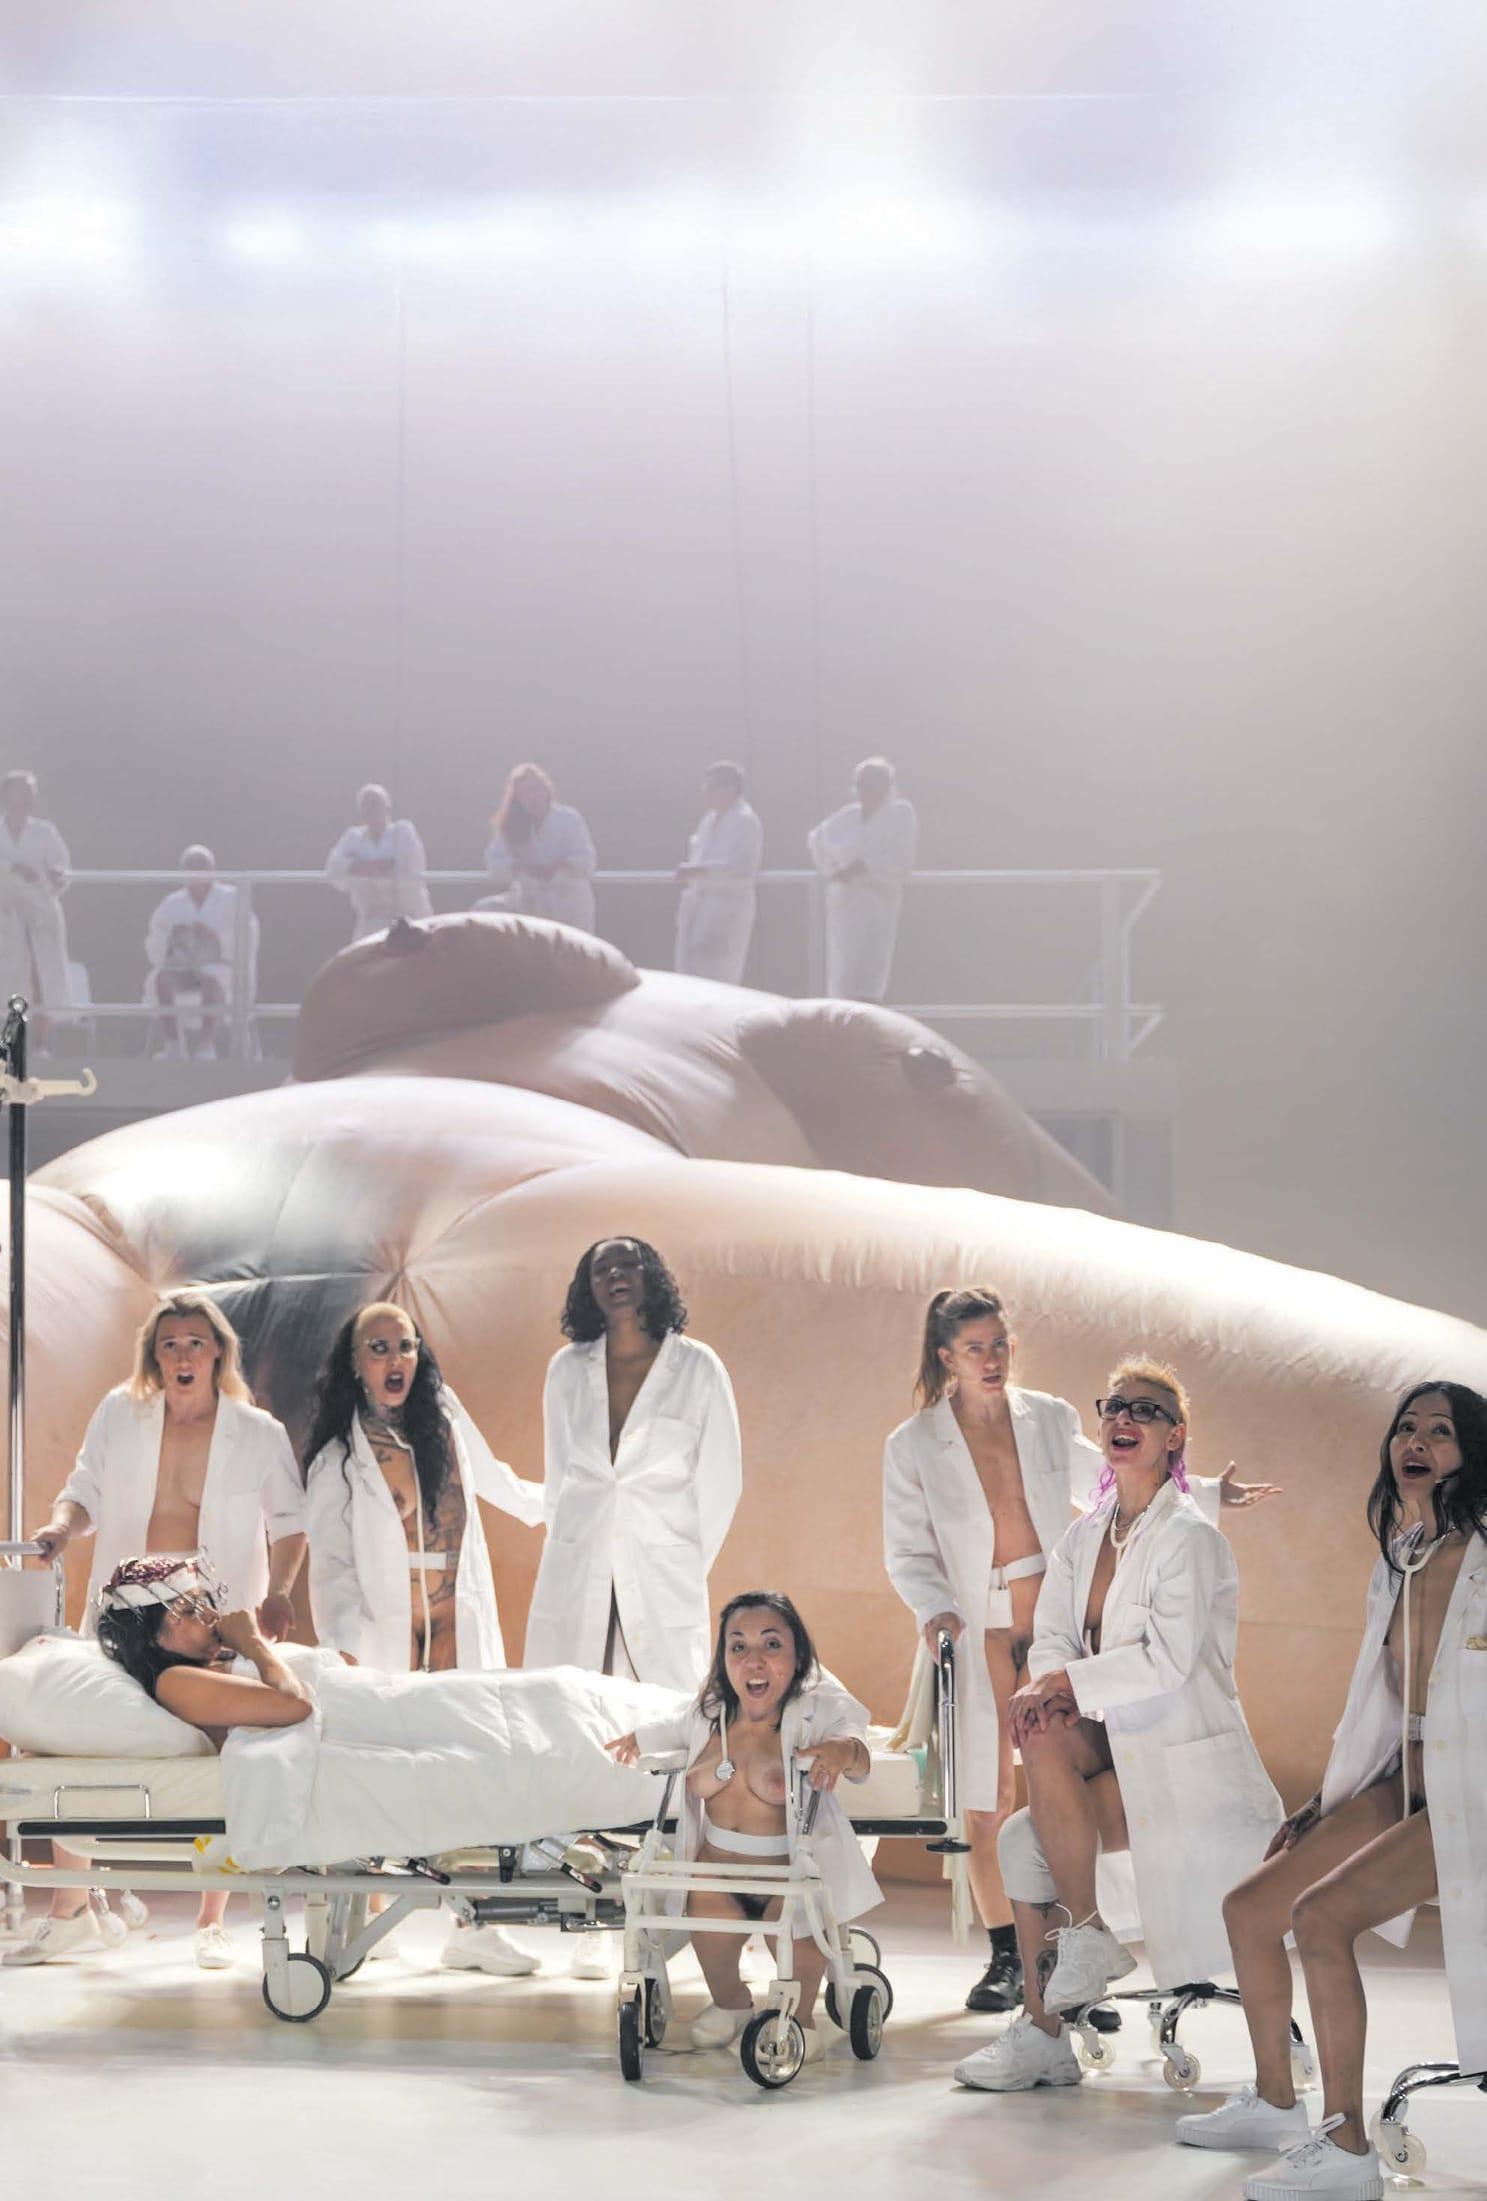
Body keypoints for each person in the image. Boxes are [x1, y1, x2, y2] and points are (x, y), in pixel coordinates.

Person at [883, 1291, 1274, 2016]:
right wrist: (933, 1607)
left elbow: (1115, 1470)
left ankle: (1072, 1956)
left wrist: (1211, 1492)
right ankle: (1013, 1952)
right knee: (988, 1801)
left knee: (1045, 1779)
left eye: (1000, 1343)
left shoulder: (1048, 1418)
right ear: (945, 1357)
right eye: (975, 1347)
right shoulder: (913, 1443)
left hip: (1050, 1617)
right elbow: (906, 1548)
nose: (992, 1359)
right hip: (974, 1625)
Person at [1175, 1381, 1487, 2201]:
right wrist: (1325, 1797)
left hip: (1472, 1794)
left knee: (1318, 1917)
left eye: (1440, 1431)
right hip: (1403, 1778)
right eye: (1406, 1427)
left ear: (1472, 1452)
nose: (1416, 1442)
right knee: (1251, 1909)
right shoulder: (1400, 1554)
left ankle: (1346, 2146)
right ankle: (1275, 2100)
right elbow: (1380, 1698)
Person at [950, 1357, 1283, 2094]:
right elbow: (1050, 1638)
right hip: (1111, 1746)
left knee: (1024, 1817)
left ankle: (1070, 1966)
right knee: (1027, 1781)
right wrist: (1049, 1685)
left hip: (1180, 1760)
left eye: (1146, 1410)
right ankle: (1056, 2011)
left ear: (1175, 1436)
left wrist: (1063, 1683)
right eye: (1114, 1406)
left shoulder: (1190, 1538)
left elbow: (1167, 1661)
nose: (1124, 1418)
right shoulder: (1084, 1536)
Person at [11, 1293, 307, 1971]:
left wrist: (281, 1592)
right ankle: (72, 1910)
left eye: (195, 1342)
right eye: (169, 1343)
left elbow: (290, 1522)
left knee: (221, 1751)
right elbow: (83, 1489)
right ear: (154, 1355)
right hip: (127, 1613)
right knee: (82, 1743)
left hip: (208, 1617)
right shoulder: (122, 1412)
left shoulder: (256, 1431)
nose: (182, 1354)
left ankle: (211, 1918)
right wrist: (60, 1528)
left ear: (218, 1352)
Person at [302, 1302, 545, 1977]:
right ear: (355, 1364)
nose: (395, 1359)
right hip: (385, 1634)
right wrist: (342, 1643)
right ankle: (368, 1914)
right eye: (378, 1348)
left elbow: (499, 1482)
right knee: (386, 1776)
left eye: (405, 1346)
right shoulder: (338, 1460)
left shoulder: (445, 1421)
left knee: (474, 1773)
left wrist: (571, 1504)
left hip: (456, 1627)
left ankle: (474, 1925)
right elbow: (331, 1565)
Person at [524, 1236, 742, 1978]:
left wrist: (674, 1564)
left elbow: (721, 1483)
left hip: (662, 1574)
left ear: (652, 1277)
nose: (615, 1276)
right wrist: (588, 1548)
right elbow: (562, 1477)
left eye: (628, 1264)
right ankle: (587, 1908)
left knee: (665, 1739)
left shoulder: (697, 1366)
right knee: (576, 1731)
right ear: (586, 1287)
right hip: (578, 1568)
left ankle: (662, 1912)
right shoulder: (566, 1369)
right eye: (601, 1268)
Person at [606, 1590, 879, 2058]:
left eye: (771, 1645)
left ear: (797, 1658)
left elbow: (857, 1745)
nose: (754, 1660)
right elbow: (674, 1725)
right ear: (724, 1659)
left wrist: (842, 1752)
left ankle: (799, 2017)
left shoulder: (814, 1712)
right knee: (708, 1926)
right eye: (739, 1646)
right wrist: (641, 1738)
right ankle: (731, 2003)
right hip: (719, 1871)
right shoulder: (712, 1713)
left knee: (799, 1932)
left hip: (787, 1875)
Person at [806, 758, 917, 1002]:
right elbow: (815, 840)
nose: (866, 790)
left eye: (873, 784)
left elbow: (902, 860)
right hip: (844, 902)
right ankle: (840, 1018)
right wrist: (833, 868)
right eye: (862, 784)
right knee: (843, 970)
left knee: (870, 968)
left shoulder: (901, 813)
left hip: (878, 901)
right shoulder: (848, 816)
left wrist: (864, 867)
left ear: (886, 786)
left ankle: (866, 1013)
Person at [144, 845, 260, 1062]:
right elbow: (155, 939)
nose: (197, 869)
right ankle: (174, 1046)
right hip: (184, 969)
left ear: (213, 868)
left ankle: (206, 1046)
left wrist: (215, 937)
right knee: (162, 979)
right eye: (191, 865)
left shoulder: (232, 897)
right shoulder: (171, 903)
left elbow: (248, 933)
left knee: (210, 978)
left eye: (202, 865)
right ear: (183, 870)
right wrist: (172, 942)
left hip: (222, 967)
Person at [674, 761, 763, 986]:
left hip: (727, 906)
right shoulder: (708, 820)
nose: (706, 793)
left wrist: (701, 870)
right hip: (700, 904)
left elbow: (742, 867)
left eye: (712, 787)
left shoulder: (745, 820)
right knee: (693, 970)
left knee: (719, 971)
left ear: (731, 789)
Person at [483, 764, 597, 933]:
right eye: (526, 791)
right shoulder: (509, 825)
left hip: (570, 905)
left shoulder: (570, 819)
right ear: (517, 798)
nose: (533, 795)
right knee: (485, 909)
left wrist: (559, 867)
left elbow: (587, 860)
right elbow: (495, 865)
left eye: (537, 788)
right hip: (528, 905)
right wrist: (521, 867)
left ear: (547, 789)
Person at [0, 768, 73, 1030]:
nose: (28, 798)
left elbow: (61, 869)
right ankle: (7, 1041)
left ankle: (42, 1042)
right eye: (22, 792)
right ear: (6, 795)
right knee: (6, 975)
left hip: (39, 913)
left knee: (42, 973)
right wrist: (12, 868)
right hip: (4, 913)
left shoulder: (45, 832)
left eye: (31, 793)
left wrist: (53, 876)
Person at [325, 784, 433, 944]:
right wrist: (371, 867)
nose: (370, 809)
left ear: (387, 808)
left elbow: (409, 867)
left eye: (374, 803)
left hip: (411, 918)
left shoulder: (403, 831)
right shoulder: (352, 837)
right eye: (365, 805)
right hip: (371, 920)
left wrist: (357, 868)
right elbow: (333, 870)